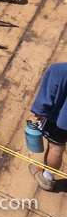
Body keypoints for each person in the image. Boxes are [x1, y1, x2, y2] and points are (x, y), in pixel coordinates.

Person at [29, 62, 67, 191]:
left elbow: (45, 98)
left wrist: (40, 113)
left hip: (60, 121)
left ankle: (47, 178)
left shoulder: (59, 70)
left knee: (56, 147)